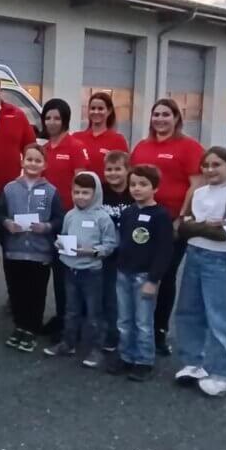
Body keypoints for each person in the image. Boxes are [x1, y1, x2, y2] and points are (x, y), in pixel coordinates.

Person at [129, 98, 205, 356]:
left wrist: (182, 217)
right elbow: (134, 183)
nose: (160, 119)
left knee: (165, 275)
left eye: (166, 114)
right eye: (156, 115)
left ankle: (159, 331)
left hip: (172, 223)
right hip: (143, 221)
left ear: (176, 118)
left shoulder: (189, 147)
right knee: (139, 274)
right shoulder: (141, 147)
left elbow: (196, 185)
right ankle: (138, 327)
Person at [174, 147, 226, 397]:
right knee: (189, 311)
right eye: (205, 166)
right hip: (194, 255)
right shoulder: (198, 193)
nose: (210, 170)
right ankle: (193, 362)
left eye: (216, 165)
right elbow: (182, 229)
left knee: (219, 316)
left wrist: (195, 226)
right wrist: (206, 225)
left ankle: (223, 373)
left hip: (219, 259)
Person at [44, 172, 118, 368]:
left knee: (94, 313)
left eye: (86, 192)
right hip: (71, 270)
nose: (81, 196)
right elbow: (65, 235)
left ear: (95, 193)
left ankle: (97, 349)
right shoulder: (70, 214)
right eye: (76, 192)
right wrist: (60, 244)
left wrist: (92, 252)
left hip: (92, 272)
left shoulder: (103, 218)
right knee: (71, 310)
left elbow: (110, 245)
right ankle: (68, 343)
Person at [109, 164, 174, 381]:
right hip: (124, 273)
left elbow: (165, 251)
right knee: (124, 319)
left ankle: (144, 360)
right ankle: (126, 355)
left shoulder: (161, 215)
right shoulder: (128, 213)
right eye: (133, 184)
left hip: (144, 276)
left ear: (155, 188)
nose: (137, 189)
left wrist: (153, 279)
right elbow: (123, 242)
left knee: (143, 321)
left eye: (143, 185)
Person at [0, 144, 64, 352]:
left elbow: (59, 218)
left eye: (38, 160)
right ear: (22, 161)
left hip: (40, 251)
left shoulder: (51, 191)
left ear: (45, 164)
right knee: (16, 291)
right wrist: (7, 224)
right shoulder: (9, 188)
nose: (33, 164)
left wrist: (46, 227)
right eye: (29, 159)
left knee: (36, 293)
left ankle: (31, 330)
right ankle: (19, 326)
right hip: (14, 250)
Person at [40, 98, 91, 340]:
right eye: (48, 118)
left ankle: (73, 321)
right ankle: (62, 317)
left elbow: (82, 183)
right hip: (50, 218)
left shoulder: (75, 146)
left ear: (65, 120)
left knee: (68, 272)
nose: (52, 122)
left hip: (70, 220)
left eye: (57, 118)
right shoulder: (45, 149)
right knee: (55, 271)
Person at [101, 150, 134, 352]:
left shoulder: (135, 191)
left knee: (130, 295)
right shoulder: (101, 193)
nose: (113, 173)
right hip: (108, 254)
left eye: (118, 169)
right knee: (109, 295)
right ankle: (112, 333)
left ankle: (132, 334)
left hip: (131, 254)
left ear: (128, 170)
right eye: (109, 169)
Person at [73, 92, 129, 179]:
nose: (96, 112)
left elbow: (125, 171)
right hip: (82, 190)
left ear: (109, 111)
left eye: (100, 108)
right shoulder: (76, 138)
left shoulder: (118, 140)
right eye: (93, 108)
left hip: (107, 190)